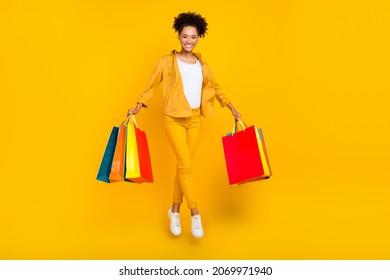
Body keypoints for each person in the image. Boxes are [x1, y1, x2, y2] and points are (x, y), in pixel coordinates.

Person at [127, 12, 241, 238]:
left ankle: (174, 211)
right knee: (186, 167)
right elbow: (151, 85)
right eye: (185, 36)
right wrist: (140, 105)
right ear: (178, 36)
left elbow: (216, 88)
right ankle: (195, 213)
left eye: (193, 37)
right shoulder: (166, 62)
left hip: (195, 120)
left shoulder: (202, 65)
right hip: (173, 119)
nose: (189, 41)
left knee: (182, 167)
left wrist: (231, 107)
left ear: (199, 37)